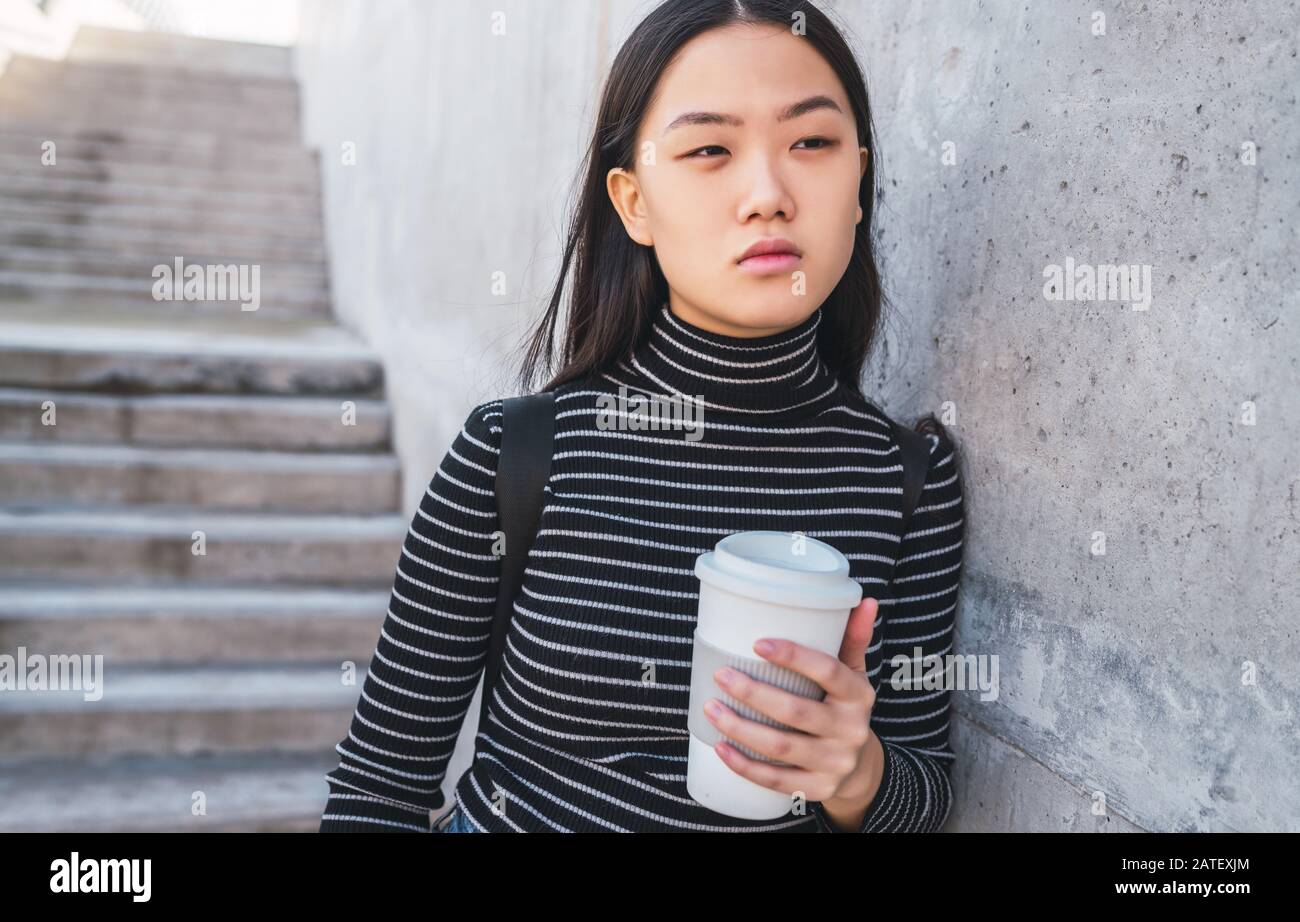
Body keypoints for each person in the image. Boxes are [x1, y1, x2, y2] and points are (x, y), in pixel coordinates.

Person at [320, 0, 965, 833]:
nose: (767, 193)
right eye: (709, 150)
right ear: (634, 204)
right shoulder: (515, 455)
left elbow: (929, 794)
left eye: (811, 142)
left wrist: (858, 772)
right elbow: (378, 790)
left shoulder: (906, 478)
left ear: (858, 186)